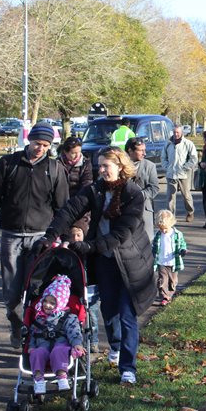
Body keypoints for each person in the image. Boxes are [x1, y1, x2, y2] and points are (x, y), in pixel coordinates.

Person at [40, 146, 155, 385]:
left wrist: (90, 247)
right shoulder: (95, 190)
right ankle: (115, 347)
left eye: (106, 166)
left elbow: (122, 233)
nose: (101, 170)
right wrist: (51, 236)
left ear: (120, 167)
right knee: (109, 311)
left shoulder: (133, 193)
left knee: (127, 314)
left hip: (131, 262)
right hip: (105, 262)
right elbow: (70, 210)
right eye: (99, 166)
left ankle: (128, 368)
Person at [0, 122, 69, 347]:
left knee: (37, 290)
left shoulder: (55, 169)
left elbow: (63, 208)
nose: (40, 148)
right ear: (29, 140)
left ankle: (34, 334)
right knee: (11, 293)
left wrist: (63, 237)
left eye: (45, 145)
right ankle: (16, 325)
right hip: (11, 236)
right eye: (37, 143)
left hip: (41, 238)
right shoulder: (8, 164)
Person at [28, 274, 85, 394]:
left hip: (61, 344)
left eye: (52, 303)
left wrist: (77, 344)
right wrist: (31, 346)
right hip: (42, 345)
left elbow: (74, 332)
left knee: (59, 350)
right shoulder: (39, 318)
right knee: (37, 353)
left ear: (60, 303)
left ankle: (62, 376)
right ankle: (38, 380)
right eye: (45, 301)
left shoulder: (69, 318)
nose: (47, 305)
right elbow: (33, 333)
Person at [161, 124, 198, 222]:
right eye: (174, 132)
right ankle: (171, 217)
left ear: (181, 133)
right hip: (171, 174)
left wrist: (185, 167)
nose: (176, 134)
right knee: (170, 197)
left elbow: (194, 158)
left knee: (186, 196)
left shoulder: (188, 143)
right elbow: (163, 157)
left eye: (177, 132)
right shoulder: (168, 143)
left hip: (183, 175)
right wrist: (166, 167)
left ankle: (190, 212)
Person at [126, 137, 160, 239]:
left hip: (144, 210)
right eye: (141, 150)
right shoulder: (120, 166)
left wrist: (140, 195)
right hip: (125, 210)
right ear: (130, 151)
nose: (144, 153)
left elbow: (154, 188)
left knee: (147, 241)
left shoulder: (150, 166)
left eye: (145, 150)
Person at [152, 210, 187, 306]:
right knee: (162, 281)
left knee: (173, 281)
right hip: (161, 262)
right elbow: (154, 246)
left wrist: (183, 250)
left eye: (165, 229)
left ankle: (170, 294)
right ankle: (164, 296)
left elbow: (182, 244)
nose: (163, 231)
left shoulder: (177, 234)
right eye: (161, 228)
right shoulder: (158, 235)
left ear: (171, 224)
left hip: (173, 262)